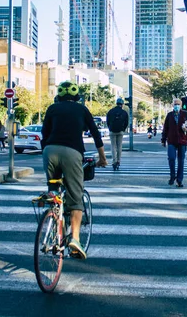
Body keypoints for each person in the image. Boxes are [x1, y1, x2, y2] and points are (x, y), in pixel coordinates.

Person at [41, 81, 108, 260]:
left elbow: (44, 133)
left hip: (50, 150)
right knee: (75, 196)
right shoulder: (82, 109)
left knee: (53, 189)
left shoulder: (52, 109)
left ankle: (53, 217)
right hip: (72, 152)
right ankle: (75, 239)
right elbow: (95, 133)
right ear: (76, 96)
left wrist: (46, 151)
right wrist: (102, 158)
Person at [161, 98, 187, 187]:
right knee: (171, 158)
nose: (176, 106)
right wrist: (163, 139)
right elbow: (165, 128)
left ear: (181, 105)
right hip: (171, 140)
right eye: (175, 104)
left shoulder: (185, 114)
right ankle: (172, 175)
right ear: (173, 105)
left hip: (182, 141)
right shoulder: (169, 115)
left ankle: (179, 180)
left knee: (181, 161)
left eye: (178, 104)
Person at [106, 98, 128, 170]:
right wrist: (123, 129)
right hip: (120, 131)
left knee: (113, 146)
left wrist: (110, 128)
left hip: (112, 131)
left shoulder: (111, 111)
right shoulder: (124, 112)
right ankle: (118, 161)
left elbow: (108, 121)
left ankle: (114, 161)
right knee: (119, 146)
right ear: (122, 104)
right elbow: (126, 122)